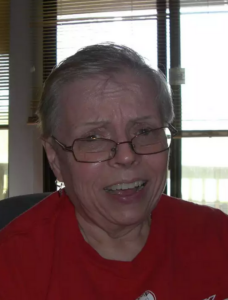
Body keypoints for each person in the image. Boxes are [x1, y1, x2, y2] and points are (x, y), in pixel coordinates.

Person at [0, 43, 228, 300]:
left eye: (144, 131)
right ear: (54, 158)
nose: (128, 155)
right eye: (94, 137)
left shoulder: (218, 237)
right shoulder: (12, 266)